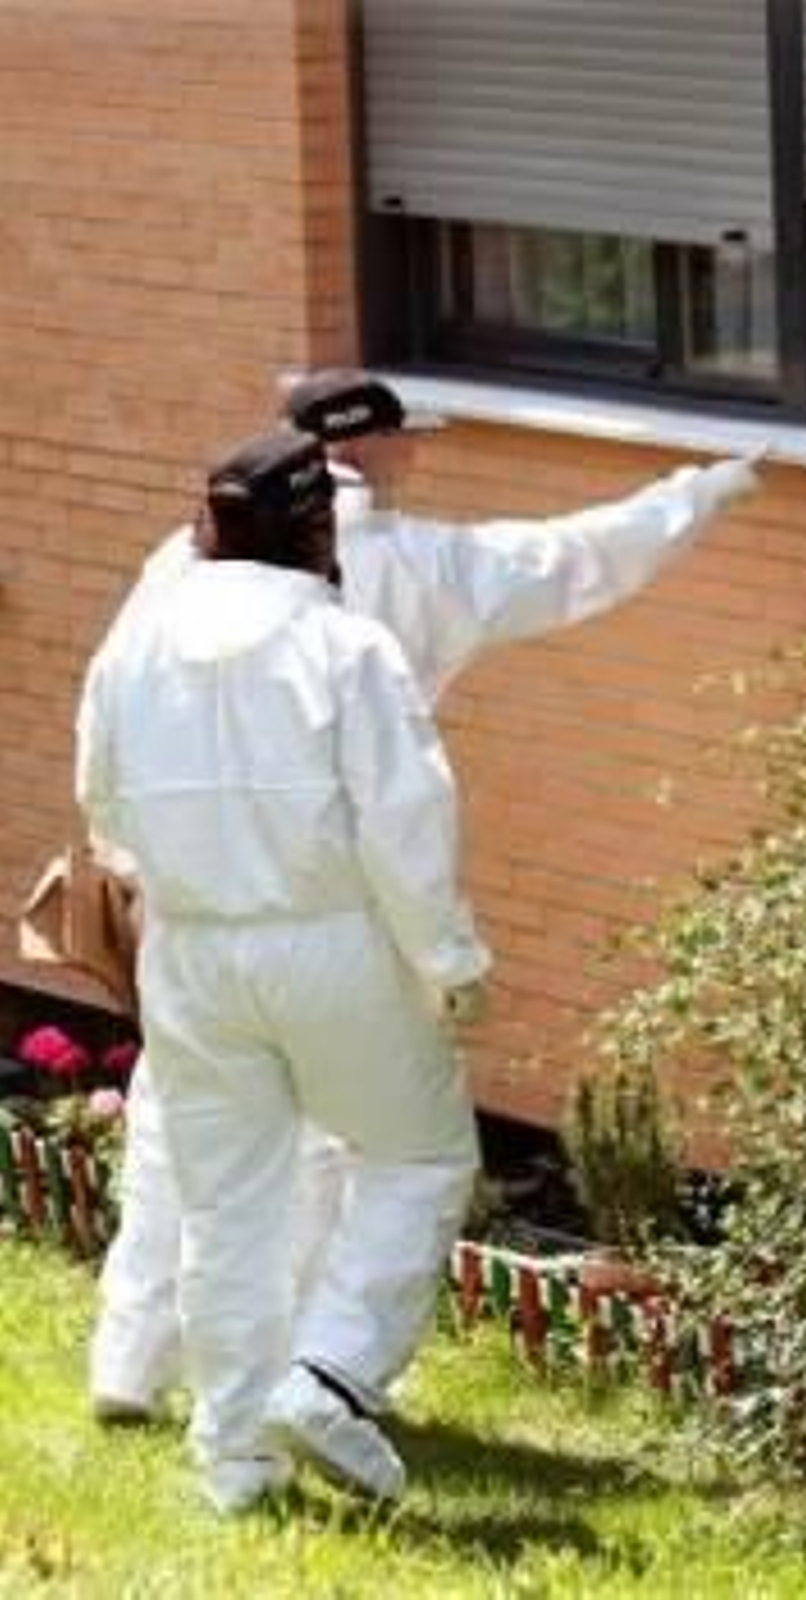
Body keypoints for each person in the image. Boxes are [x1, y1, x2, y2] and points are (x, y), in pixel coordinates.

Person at [87, 369, 764, 1426]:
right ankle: (310, 1373)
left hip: (192, 903)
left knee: (186, 1133)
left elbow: (110, 730)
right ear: (374, 451)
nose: (421, 459)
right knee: (342, 1149)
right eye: (410, 443)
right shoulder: (415, 566)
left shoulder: (180, 563)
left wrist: (133, 860)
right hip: (338, 905)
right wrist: (696, 493)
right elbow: (570, 561)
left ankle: (132, 1362)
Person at [77, 428, 489, 1513]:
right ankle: (332, 1373)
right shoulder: (346, 649)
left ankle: (235, 1460)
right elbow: (407, 823)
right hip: (333, 938)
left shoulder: (136, 647)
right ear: (316, 531)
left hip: (192, 951)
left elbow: (103, 808)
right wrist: (449, 962)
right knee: (419, 1154)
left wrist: (181, 883)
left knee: (227, 1205)